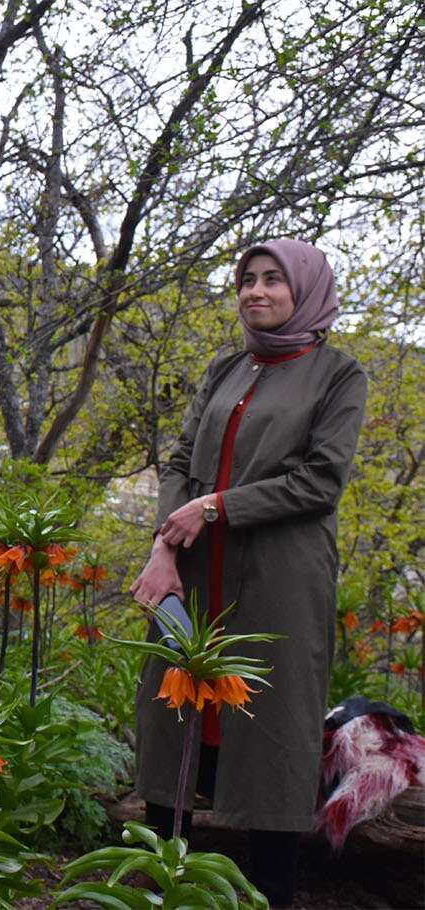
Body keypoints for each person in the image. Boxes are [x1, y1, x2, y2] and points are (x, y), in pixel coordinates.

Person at [128, 239, 368, 907]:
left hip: (281, 578)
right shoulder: (227, 367)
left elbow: (320, 481)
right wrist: (163, 546)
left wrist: (216, 506)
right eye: (247, 281)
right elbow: (179, 459)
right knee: (172, 705)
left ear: (307, 292)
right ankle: (164, 881)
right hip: (196, 567)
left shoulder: (338, 374)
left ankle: (269, 893)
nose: (255, 292)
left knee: (271, 721)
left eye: (273, 281)